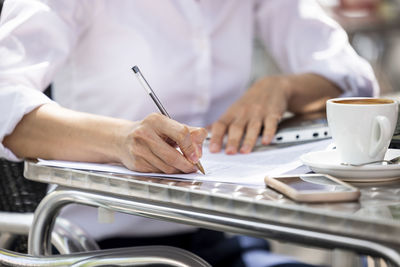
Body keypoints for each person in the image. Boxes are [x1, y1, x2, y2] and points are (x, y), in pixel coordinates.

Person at [0, 0, 377, 266]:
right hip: (104, 247)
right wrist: (119, 140)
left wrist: (285, 88)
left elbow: (356, 81)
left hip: (227, 234)